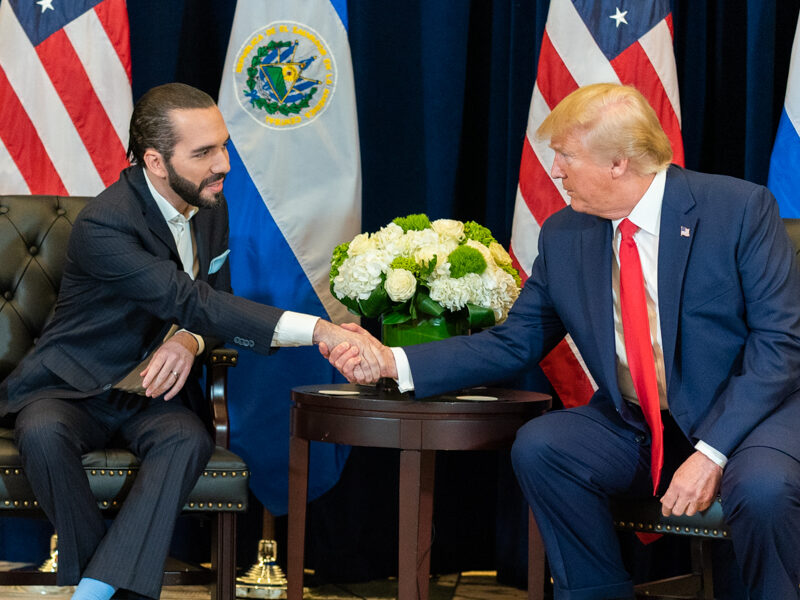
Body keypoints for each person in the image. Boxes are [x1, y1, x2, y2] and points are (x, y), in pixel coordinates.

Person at [324, 83, 800, 599]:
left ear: (619, 162)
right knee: (545, 447)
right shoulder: (566, 233)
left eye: (567, 156)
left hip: (749, 419)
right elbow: (516, 342)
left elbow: (781, 345)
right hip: (642, 423)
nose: (556, 171)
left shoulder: (738, 209)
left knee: (762, 489)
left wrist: (712, 453)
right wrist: (395, 361)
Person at [0, 83, 383, 600]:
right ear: (155, 161)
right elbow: (192, 299)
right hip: (72, 384)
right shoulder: (104, 224)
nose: (223, 164)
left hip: (153, 393)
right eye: (203, 153)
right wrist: (320, 329)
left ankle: (92, 590)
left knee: (188, 439)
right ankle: (100, 587)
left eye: (223, 146)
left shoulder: (210, 205)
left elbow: (208, 305)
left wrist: (188, 344)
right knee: (42, 434)